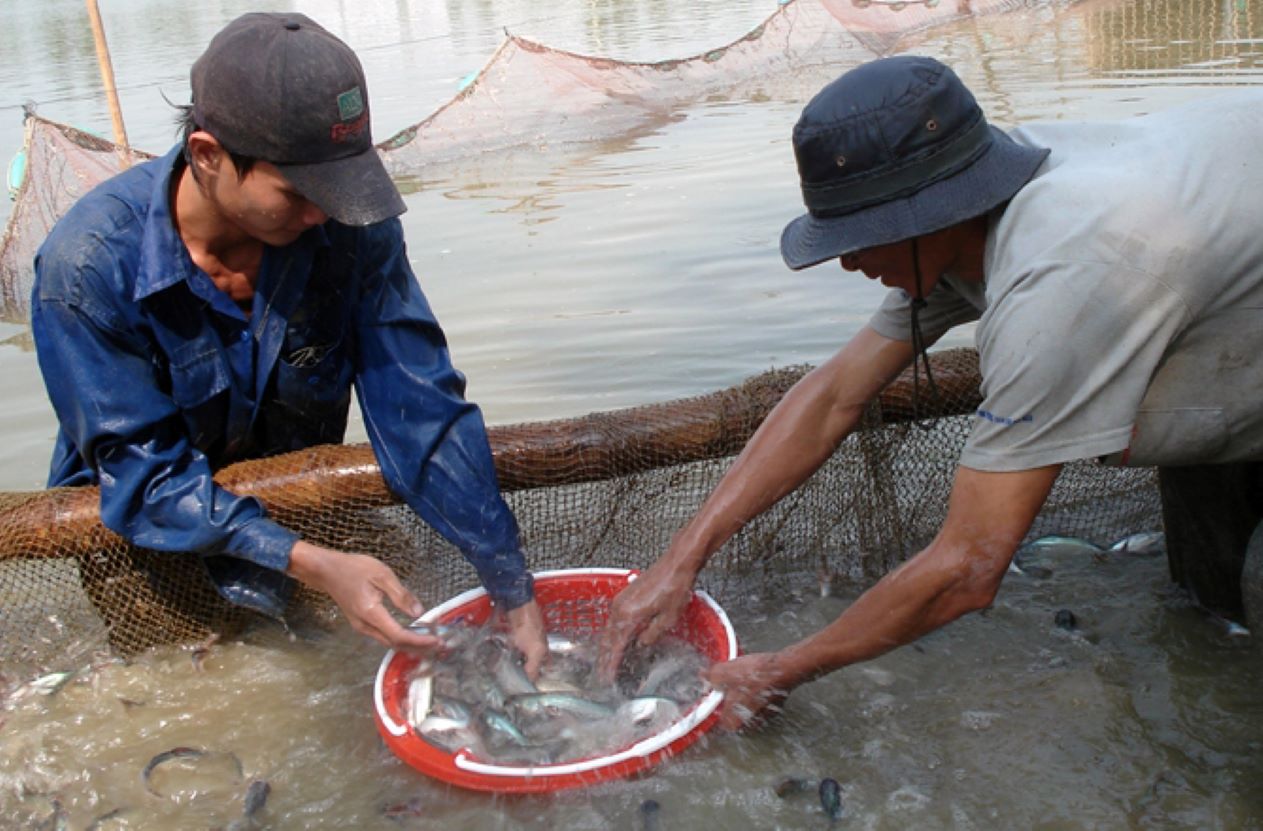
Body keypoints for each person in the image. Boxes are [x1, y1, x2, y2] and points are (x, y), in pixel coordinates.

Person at [599, 55, 1263, 727]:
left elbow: (967, 567)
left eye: (858, 238)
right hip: (1233, 290)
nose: (849, 260)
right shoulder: (969, 202)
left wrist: (784, 668)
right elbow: (833, 395)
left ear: (929, 214)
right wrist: (678, 560)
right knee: (1210, 598)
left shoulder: (1059, 282)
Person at [30, 12, 547, 672]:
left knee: (366, 664)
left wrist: (511, 586)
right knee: (189, 696)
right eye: (300, 192)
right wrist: (309, 562)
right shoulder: (86, 269)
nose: (322, 213)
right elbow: (143, 473)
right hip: (147, 538)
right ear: (209, 156)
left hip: (303, 504)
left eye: (339, 189)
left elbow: (423, 411)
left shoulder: (351, 228)